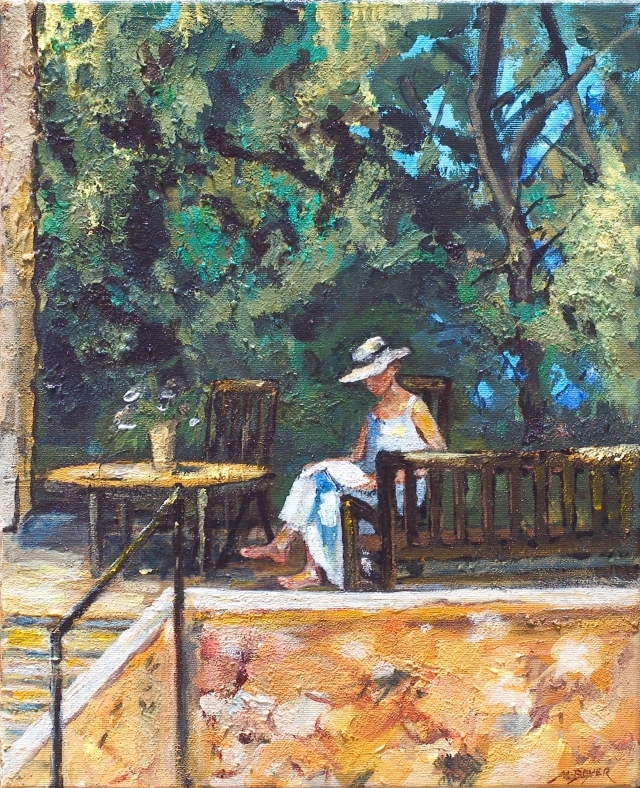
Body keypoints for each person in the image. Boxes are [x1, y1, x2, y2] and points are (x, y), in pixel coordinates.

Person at [240, 337, 447, 589]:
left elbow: (438, 452)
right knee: (318, 479)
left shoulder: (414, 407)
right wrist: (325, 462)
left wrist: (391, 478)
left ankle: (294, 551)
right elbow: (358, 458)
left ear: (393, 368)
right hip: (368, 484)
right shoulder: (373, 414)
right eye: (365, 378)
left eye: (374, 375)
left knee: (322, 486)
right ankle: (310, 566)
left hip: (402, 489)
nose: (369, 383)